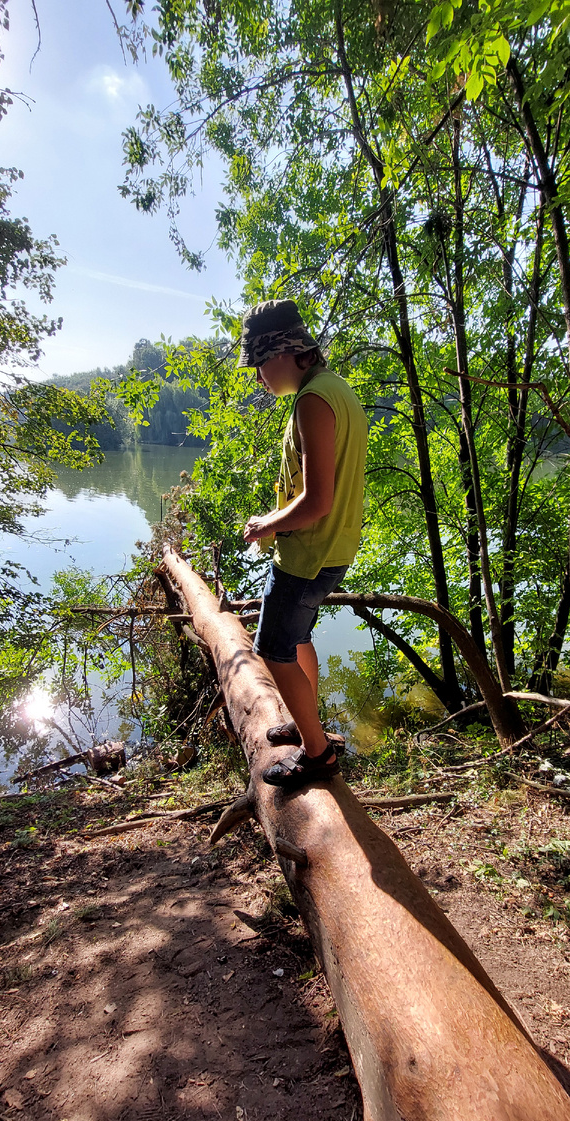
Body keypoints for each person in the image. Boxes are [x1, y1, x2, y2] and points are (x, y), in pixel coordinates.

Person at [238, 299, 368, 792]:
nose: (258, 378)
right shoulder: (337, 390)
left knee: (273, 650)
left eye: (260, 364)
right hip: (333, 550)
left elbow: (317, 501)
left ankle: (317, 753)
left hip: (307, 553)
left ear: (285, 352)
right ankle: (304, 720)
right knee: (298, 639)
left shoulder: (313, 400)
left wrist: (266, 524)